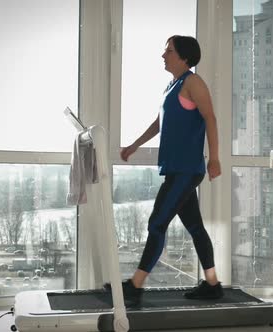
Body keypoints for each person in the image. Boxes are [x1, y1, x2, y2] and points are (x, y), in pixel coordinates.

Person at [108, 35, 223, 306]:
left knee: (156, 223)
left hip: (186, 169)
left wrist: (215, 158)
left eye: (169, 51)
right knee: (195, 226)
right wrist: (134, 145)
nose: (163, 55)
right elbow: (160, 122)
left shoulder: (194, 82)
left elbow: (210, 118)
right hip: (176, 169)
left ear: (184, 57)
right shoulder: (172, 86)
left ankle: (135, 286)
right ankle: (212, 283)